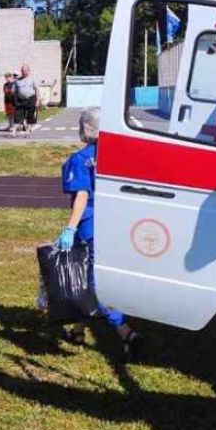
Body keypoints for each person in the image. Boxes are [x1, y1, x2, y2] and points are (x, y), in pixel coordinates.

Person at [55, 108, 141, 360]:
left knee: (93, 286)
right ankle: (77, 331)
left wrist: (71, 227)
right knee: (86, 278)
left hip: (91, 228)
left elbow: (82, 195)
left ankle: (126, 332)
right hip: (115, 225)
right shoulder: (120, 156)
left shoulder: (81, 159)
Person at [12, 64, 38, 136]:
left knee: (30, 115)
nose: (24, 72)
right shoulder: (17, 80)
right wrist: (15, 99)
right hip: (21, 100)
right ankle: (14, 131)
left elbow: (36, 89)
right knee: (17, 114)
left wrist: (38, 100)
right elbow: (14, 91)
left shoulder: (32, 79)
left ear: (29, 71)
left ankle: (28, 131)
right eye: (23, 71)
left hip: (31, 98)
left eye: (25, 71)